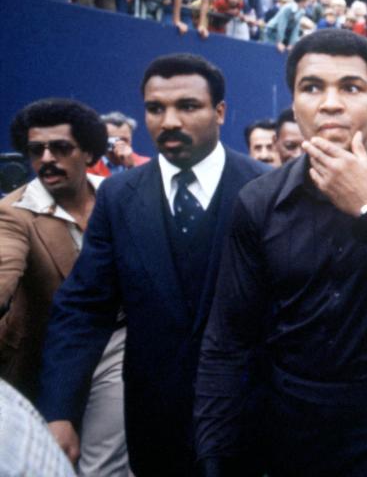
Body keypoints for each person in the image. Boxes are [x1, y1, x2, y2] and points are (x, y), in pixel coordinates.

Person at [194, 29, 367, 476]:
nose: (331, 103)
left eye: (351, 87)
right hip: (291, 431)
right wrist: (215, 453)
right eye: (313, 87)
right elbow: (229, 339)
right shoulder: (259, 201)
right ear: (294, 101)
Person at [37, 55, 269, 476]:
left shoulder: (263, 188)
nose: (169, 121)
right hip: (154, 422)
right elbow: (85, 307)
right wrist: (60, 411)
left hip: (251, 418)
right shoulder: (118, 196)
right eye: (155, 108)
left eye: (188, 106)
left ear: (220, 112)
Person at [1, 98, 129, 476]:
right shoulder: (15, 213)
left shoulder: (119, 196)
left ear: (88, 151)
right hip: (44, 360)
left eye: (60, 148)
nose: (46, 159)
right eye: (36, 150)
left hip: (121, 347)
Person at [88, 111, 151, 177]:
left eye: (124, 140)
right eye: (114, 140)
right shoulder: (88, 167)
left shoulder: (146, 165)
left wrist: (132, 167)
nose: (120, 144)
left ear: (131, 139)